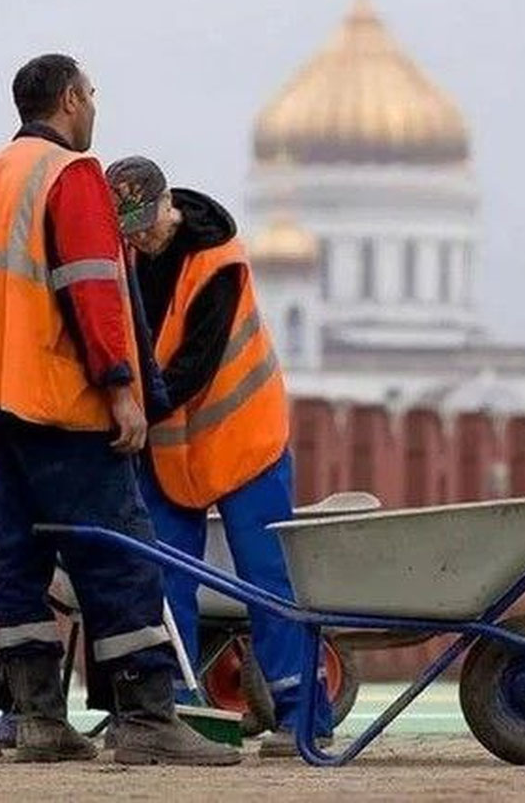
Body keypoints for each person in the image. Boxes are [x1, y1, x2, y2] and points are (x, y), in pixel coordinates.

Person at [0, 54, 238, 767]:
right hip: (61, 403)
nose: (95, 108)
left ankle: (40, 720)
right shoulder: (70, 176)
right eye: (92, 94)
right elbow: (92, 288)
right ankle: (146, 719)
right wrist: (120, 388)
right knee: (118, 556)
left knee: (21, 560)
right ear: (72, 99)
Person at [105, 155, 334, 756]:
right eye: (126, 230)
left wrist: (127, 409)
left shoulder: (218, 263)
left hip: (244, 437)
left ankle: (304, 717)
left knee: (268, 578)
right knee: (163, 576)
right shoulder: (127, 256)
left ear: (167, 207)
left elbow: (191, 367)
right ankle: (176, 712)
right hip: (174, 446)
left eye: (145, 226)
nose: (139, 239)